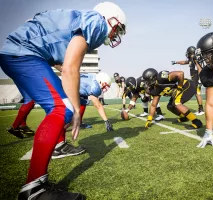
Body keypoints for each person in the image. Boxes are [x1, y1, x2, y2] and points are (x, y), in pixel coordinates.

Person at [0, 2, 127, 199]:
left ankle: (50, 161)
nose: (115, 34)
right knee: (63, 108)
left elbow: (61, 63)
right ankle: (34, 190)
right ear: (109, 19)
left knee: (62, 107)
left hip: (21, 53)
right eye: (117, 28)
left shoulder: (77, 20)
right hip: (24, 54)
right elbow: (69, 68)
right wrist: (76, 110)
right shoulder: (96, 22)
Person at [171, 46, 205, 115]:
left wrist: (200, 79)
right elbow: (184, 62)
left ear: (191, 52)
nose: (187, 54)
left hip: (197, 78)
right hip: (195, 78)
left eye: (188, 53)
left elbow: (199, 68)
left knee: (197, 93)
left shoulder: (195, 58)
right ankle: (200, 109)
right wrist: (176, 62)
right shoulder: (191, 59)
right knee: (196, 94)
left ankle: (201, 110)